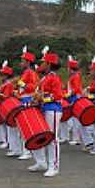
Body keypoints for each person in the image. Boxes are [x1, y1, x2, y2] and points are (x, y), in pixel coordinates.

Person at [29, 47, 63, 177]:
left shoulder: (54, 78)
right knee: (43, 137)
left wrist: (42, 98)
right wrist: (37, 100)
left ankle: (54, 166)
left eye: (43, 62)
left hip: (53, 110)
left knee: (53, 138)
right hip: (45, 109)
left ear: (49, 64)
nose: (41, 64)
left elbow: (58, 96)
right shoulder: (45, 78)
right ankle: (42, 163)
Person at [16, 46, 39, 160]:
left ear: (28, 62)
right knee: (23, 126)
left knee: (27, 125)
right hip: (23, 99)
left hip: (28, 100)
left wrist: (22, 85)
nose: (21, 63)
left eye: (22, 61)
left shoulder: (31, 72)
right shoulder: (25, 72)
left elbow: (34, 87)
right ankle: (25, 150)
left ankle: (28, 151)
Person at [65, 55, 83, 145]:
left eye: (68, 68)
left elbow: (75, 89)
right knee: (74, 120)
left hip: (75, 98)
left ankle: (77, 138)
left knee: (75, 120)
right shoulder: (75, 76)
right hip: (73, 98)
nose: (67, 69)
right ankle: (76, 138)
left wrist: (68, 94)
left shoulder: (75, 76)